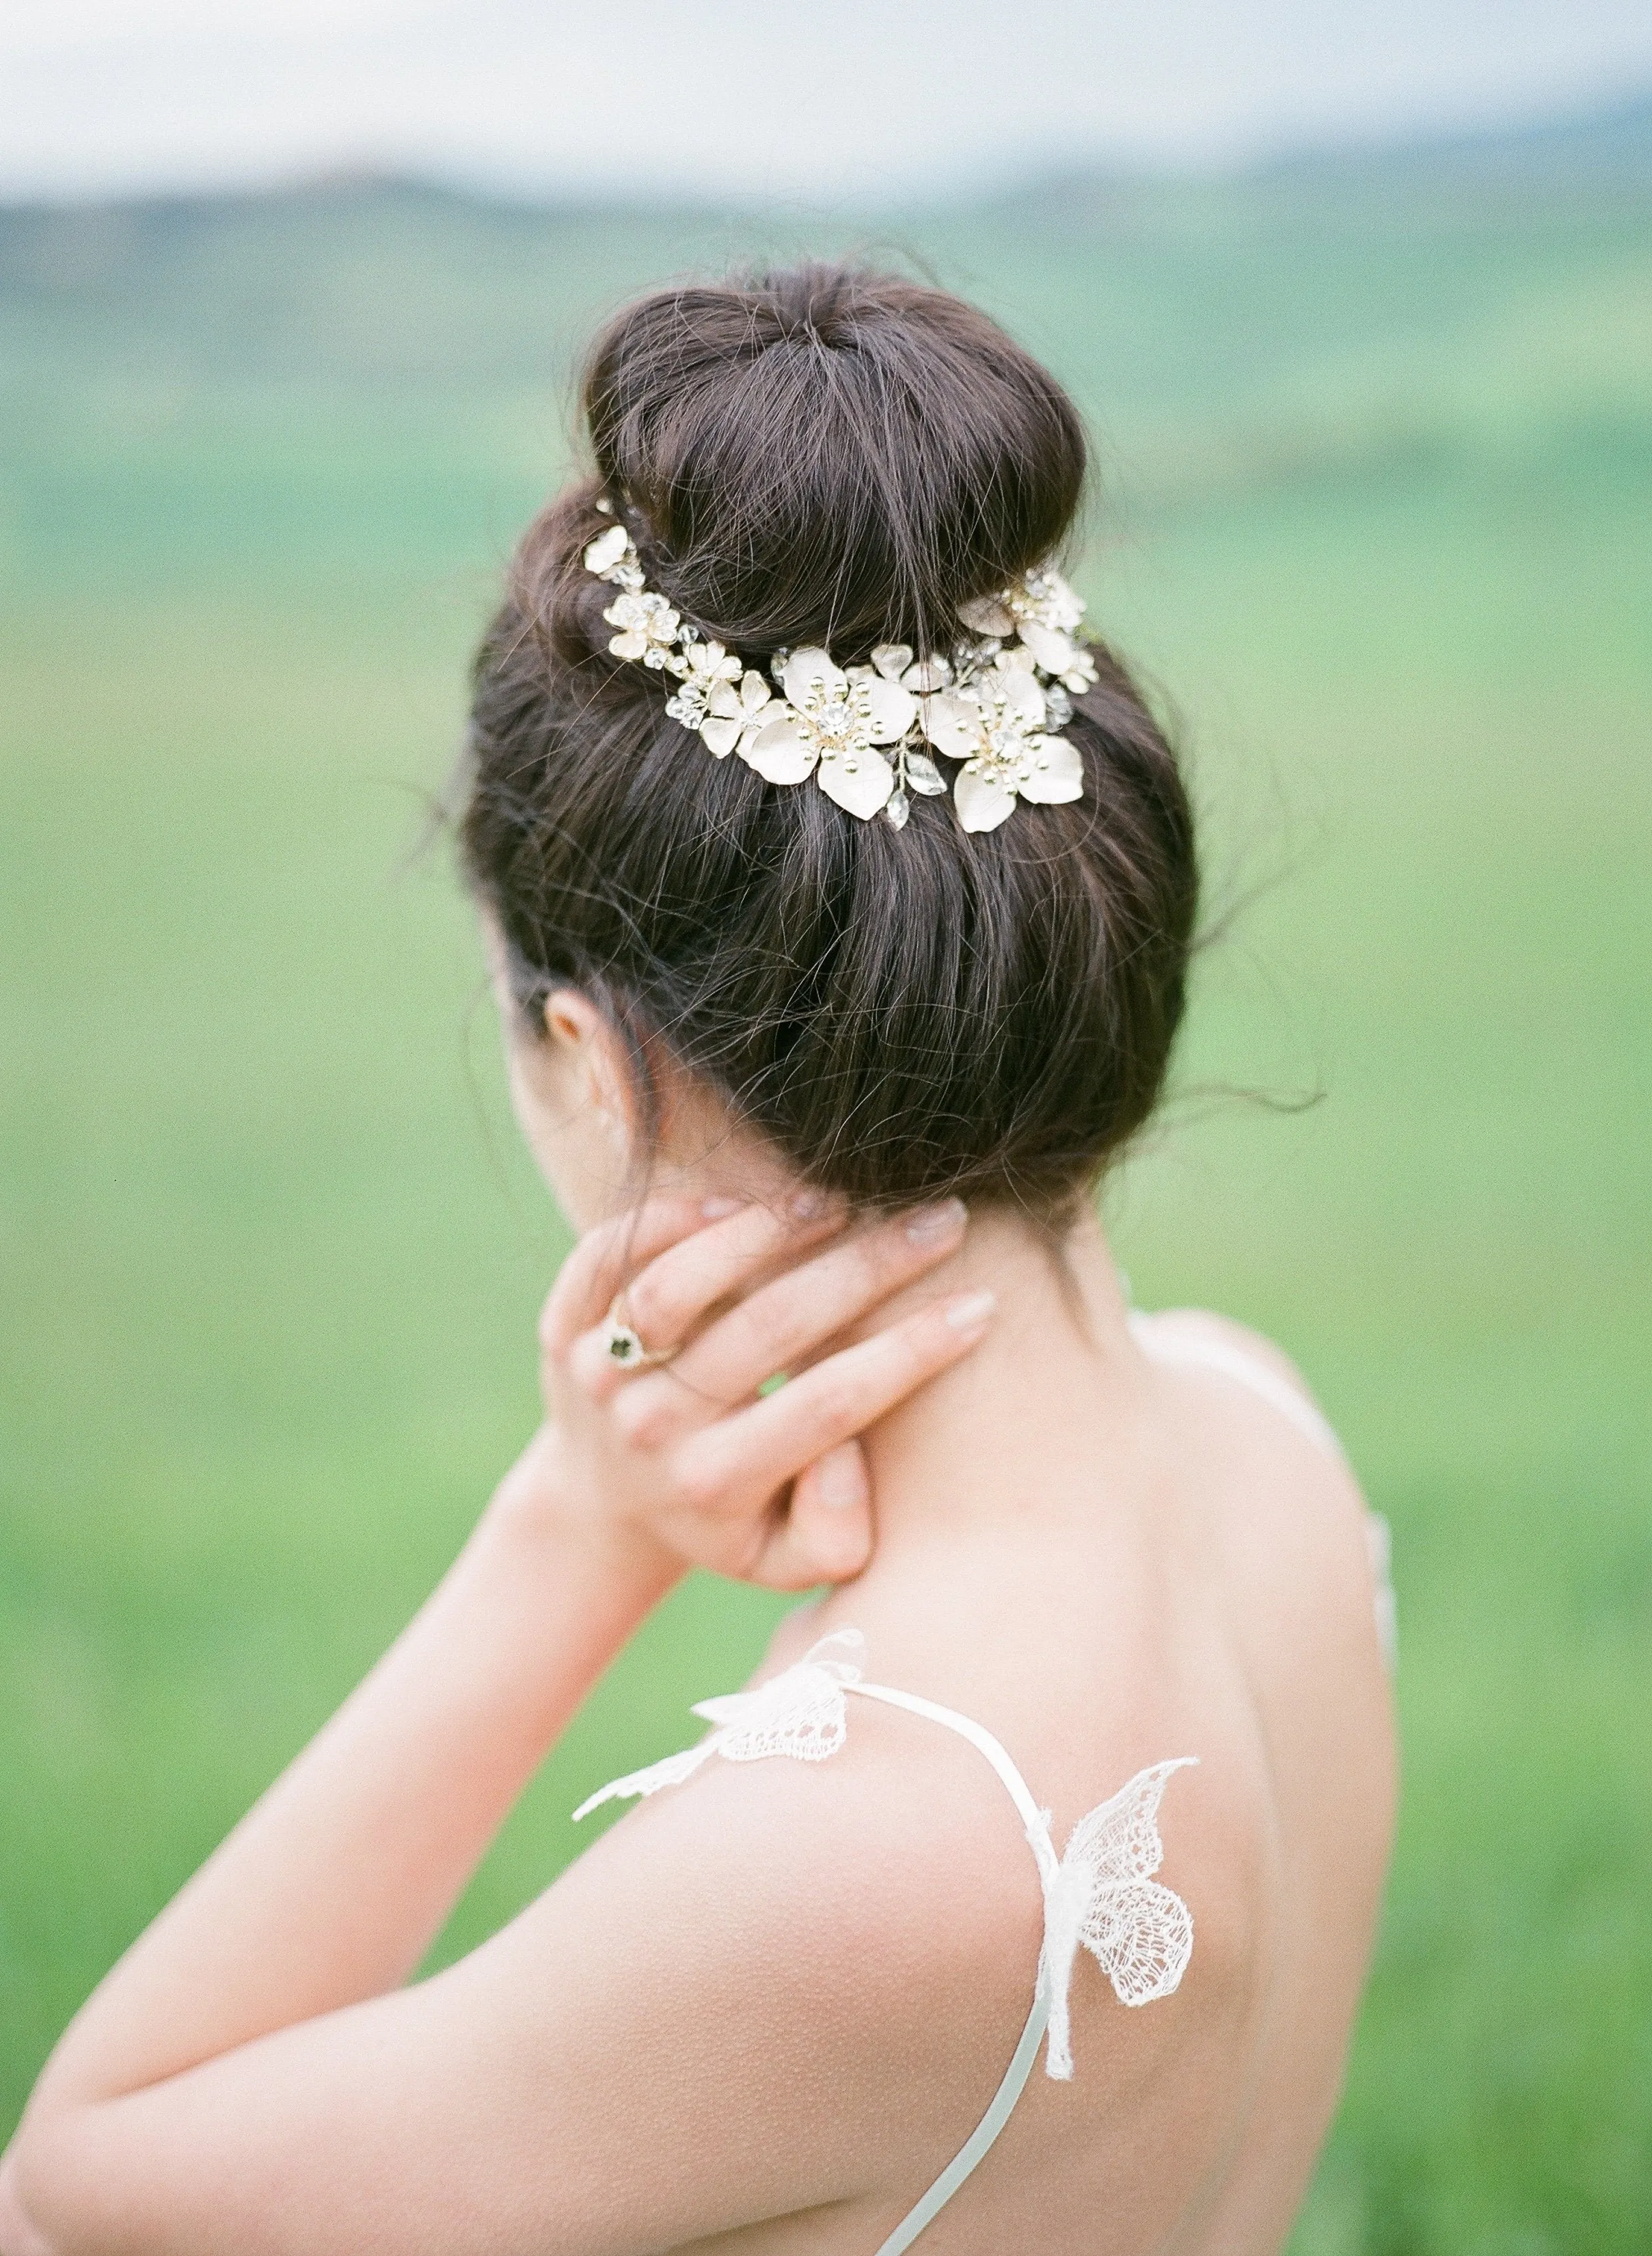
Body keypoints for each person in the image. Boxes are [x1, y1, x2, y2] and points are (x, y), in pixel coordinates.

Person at [0, 264, 1397, 2256]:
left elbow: (81, 2186)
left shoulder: (882, 1852)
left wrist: (570, 1532)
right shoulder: (1265, 1435)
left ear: (586, 1050)